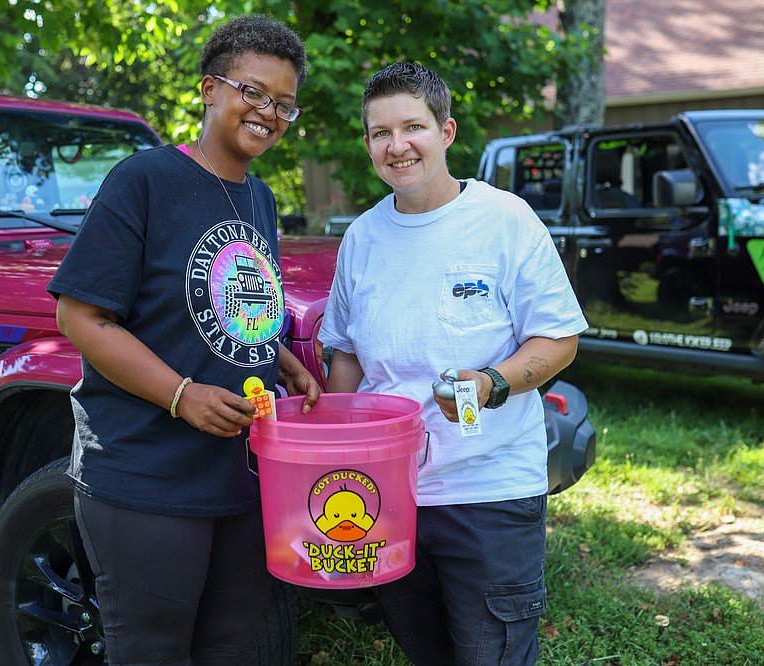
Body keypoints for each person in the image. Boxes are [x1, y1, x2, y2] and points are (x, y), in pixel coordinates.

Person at [47, 14, 319, 665]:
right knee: (153, 651)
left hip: (242, 473)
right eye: (254, 92)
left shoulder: (260, 199)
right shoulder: (144, 180)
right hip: (148, 474)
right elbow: (82, 318)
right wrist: (182, 395)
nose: (268, 112)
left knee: (231, 647)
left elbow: (226, 306)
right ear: (209, 89)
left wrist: (283, 358)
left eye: (284, 104)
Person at [318, 61, 588, 665]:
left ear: (446, 131)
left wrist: (493, 382)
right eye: (380, 133)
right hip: (390, 495)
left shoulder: (505, 220)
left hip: (489, 492)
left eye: (412, 127)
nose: (397, 146)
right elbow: (348, 354)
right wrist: (339, 450)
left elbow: (558, 339)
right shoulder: (362, 237)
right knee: (425, 651)